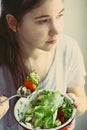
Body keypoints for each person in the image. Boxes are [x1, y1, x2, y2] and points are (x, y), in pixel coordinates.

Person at [0, 0, 87, 130]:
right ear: (13, 22)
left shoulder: (69, 49)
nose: (57, 30)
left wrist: (74, 105)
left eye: (60, 15)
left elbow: (82, 102)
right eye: (43, 21)